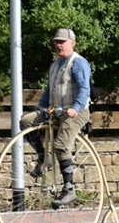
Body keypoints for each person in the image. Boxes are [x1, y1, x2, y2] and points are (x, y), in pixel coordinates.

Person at [20, 28, 92, 208]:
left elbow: (84, 88)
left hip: (75, 113)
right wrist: (40, 108)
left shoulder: (78, 63)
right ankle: (44, 157)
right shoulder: (54, 65)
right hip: (55, 111)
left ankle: (69, 189)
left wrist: (76, 108)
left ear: (72, 43)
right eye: (56, 42)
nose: (58, 45)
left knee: (60, 145)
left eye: (62, 42)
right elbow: (48, 91)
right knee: (26, 121)